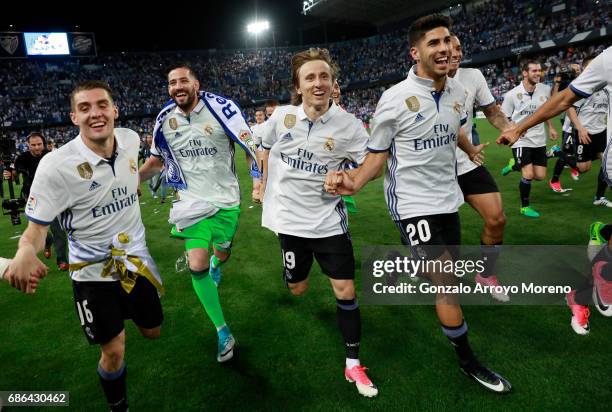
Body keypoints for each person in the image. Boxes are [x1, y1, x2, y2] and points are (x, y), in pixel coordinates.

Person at [325, 14, 511, 393]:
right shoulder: (393, 100)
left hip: (447, 199)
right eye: (433, 44)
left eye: (447, 41)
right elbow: (376, 157)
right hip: (412, 204)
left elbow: (454, 125)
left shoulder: (460, 92)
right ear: (416, 52)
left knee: (445, 272)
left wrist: (470, 148)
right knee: (447, 282)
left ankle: (415, 261)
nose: (443, 49)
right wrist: (354, 182)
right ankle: (468, 361)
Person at [5, 80, 165, 412]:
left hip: (134, 263)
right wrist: (23, 253)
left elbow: (129, 179)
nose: (95, 113)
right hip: (91, 274)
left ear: (114, 110)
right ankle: (118, 405)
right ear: (73, 117)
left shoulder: (131, 139)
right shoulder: (56, 166)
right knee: (114, 350)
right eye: (85, 108)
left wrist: (140, 180)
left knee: (153, 332)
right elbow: (36, 230)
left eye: (102, 105)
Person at [260, 47, 378, 397]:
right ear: (298, 86)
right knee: (298, 288)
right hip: (290, 223)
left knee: (346, 290)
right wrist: (258, 180)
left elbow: (372, 163)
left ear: (332, 82)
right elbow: (260, 145)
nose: (318, 83)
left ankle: (353, 364)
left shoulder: (348, 125)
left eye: (324, 76)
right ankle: (293, 272)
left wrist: (347, 176)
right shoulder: (282, 117)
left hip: (328, 223)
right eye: (310, 77)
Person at [139, 64, 259, 362]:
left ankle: (219, 262)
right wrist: (130, 181)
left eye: (183, 81)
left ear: (196, 84)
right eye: (171, 83)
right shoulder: (164, 119)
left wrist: (258, 181)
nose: (177, 87)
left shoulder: (222, 108)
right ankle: (223, 331)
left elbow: (251, 145)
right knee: (196, 263)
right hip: (190, 203)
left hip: (226, 201)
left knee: (223, 251)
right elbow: (156, 162)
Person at [448, 35, 513, 300]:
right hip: (431, 170)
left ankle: (485, 274)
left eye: (458, 48)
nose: (453, 53)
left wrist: (511, 129)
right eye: (447, 47)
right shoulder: (419, 84)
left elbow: (492, 111)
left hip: (466, 162)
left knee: (496, 218)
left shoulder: (473, 76)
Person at [548, 56, 610, 206]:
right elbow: (569, 106)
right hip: (584, 131)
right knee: (583, 168)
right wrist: (580, 128)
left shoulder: (608, 86)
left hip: (602, 131)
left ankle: (599, 197)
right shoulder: (585, 86)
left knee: (607, 163)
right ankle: (557, 152)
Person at [499, 61, 558, 218]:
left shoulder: (544, 90)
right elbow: (504, 116)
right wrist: (515, 129)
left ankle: (513, 165)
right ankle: (525, 207)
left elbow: (544, 112)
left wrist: (551, 127)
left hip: (539, 139)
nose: (538, 73)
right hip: (521, 140)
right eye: (534, 70)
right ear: (525, 73)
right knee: (528, 174)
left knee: (540, 175)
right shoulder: (512, 94)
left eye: (539, 70)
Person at [3, 132, 68, 269]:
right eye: (33, 145)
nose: (37, 147)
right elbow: (15, 176)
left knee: (58, 229)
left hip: (52, 196)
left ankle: (62, 260)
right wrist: (9, 174)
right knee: (38, 229)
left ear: (43, 144)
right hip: (32, 198)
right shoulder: (22, 158)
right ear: (28, 145)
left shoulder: (51, 156)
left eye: (39, 144)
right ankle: (47, 242)